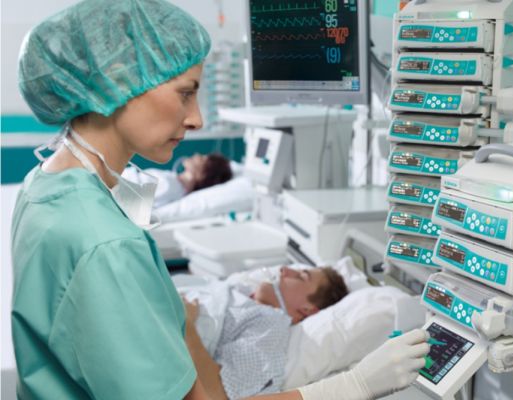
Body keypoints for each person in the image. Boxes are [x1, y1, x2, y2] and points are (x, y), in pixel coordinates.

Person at [11, 1, 429, 400]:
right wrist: (352, 386)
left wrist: (181, 321)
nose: (197, 119)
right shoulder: (107, 245)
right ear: (119, 82)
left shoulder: (43, 187)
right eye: (185, 93)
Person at [181, 266, 349, 399]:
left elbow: (216, 393)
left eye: (301, 276)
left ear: (308, 309)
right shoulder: (238, 290)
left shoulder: (270, 326)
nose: (284, 269)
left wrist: (186, 324)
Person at [122, 153, 233, 208]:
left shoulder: (170, 186)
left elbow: (129, 197)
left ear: (203, 175)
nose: (197, 155)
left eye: (203, 159)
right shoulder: (172, 181)